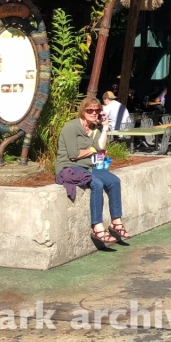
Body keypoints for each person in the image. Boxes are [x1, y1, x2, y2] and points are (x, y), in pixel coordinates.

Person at [56, 97, 129, 245]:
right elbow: (74, 154)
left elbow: (101, 147)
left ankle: (116, 222)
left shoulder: (95, 130)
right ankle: (97, 227)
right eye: (90, 110)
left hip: (88, 167)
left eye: (97, 110)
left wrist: (106, 127)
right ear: (83, 111)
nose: (94, 113)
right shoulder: (72, 127)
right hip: (69, 166)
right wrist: (93, 149)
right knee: (96, 183)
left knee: (114, 181)